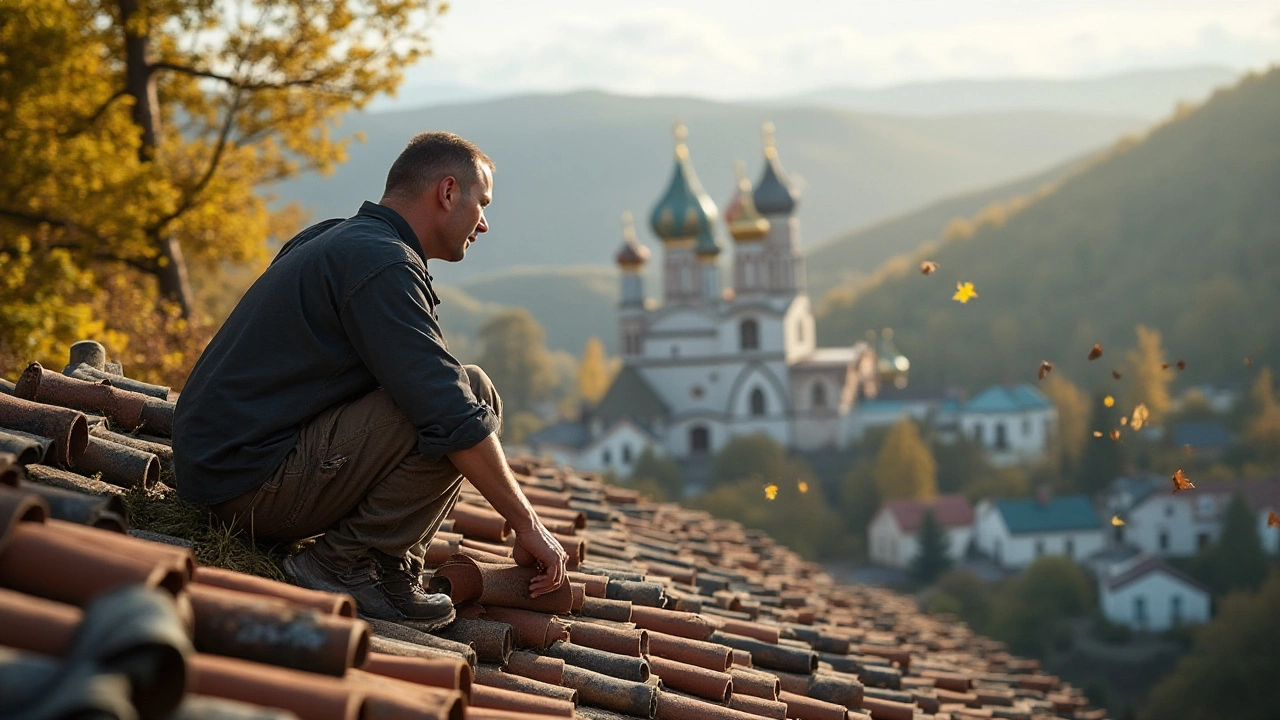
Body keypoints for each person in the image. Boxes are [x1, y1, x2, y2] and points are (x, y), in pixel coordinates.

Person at [172, 131, 567, 631]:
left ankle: (384, 563)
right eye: (481, 203)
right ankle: (347, 565)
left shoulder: (334, 237)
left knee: (449, 392)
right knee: (469, 393)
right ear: (448, 193)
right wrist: (528, 524)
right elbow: (449, 409)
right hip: (250, 486)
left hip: (219, 472)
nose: (484, 223)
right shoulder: (382, 262)